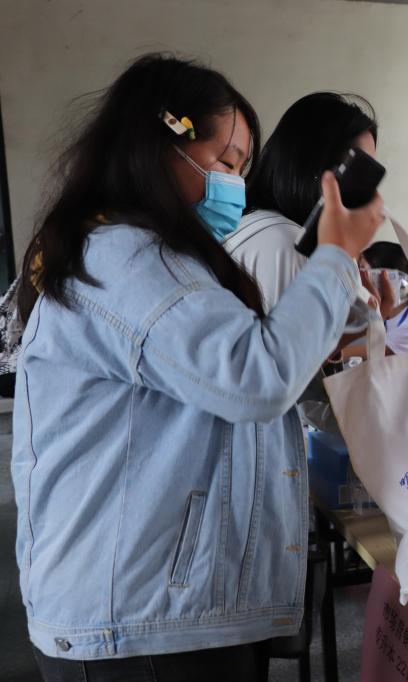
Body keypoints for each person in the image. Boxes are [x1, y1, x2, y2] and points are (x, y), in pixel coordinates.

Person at [12, 54, 383, 680]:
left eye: (242, 167)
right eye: (225, 163)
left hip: (159, 607)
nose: (235, 184)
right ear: (162, 146)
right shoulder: (126, 258)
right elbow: (256, 379)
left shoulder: (156, 258)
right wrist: (337, 254)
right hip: (138, 622)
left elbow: (238, 368)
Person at [224, 91, 380, 309]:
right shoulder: (290, 248)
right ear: (315, 168)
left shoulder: (252, 224)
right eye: (358, 171)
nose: (366, 191)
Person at [362, 241, 408, 354]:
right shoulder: (368, 311)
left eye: (362, 271)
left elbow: (376, 352)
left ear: (390, 279)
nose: (357, 279)